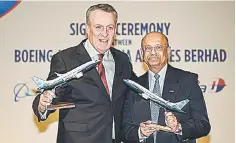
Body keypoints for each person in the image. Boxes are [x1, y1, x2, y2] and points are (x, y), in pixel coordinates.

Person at [32, 4, 136, 143]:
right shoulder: (65, 59)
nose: (104, 33)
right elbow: (52, 93)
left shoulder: (122, 60)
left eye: (110, 27)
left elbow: (135, 91)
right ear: (88, 28)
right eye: (98, 27)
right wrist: (43, 103)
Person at [122, 32, 211, 143]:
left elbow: (203, 125)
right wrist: (140, 132)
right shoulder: (133, 87)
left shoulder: (188, 81)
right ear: (141, 53)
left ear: (168, 51)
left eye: (158, 47)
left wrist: (178, 127)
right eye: (148, 48)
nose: (153, 52)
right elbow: (125, 129)